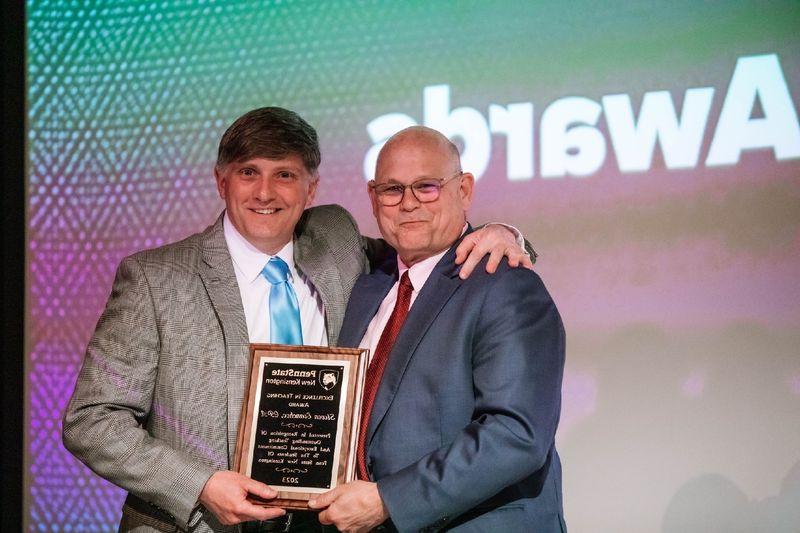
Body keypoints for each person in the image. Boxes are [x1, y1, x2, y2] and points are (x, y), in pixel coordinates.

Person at [62, 108, 533, 533]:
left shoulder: (338, 240)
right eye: (248, 173)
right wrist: (200, 484)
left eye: (284, 174)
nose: (265, 192)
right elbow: (92, 419)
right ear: (220, 181)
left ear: (311, 188)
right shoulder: (155, 278)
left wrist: (504, 233)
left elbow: (425, 245)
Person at [308, 126, 566, 532]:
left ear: (463, 190)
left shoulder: (505, 284)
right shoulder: (368, 283)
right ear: (373, 198)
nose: (408, 204)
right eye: (392, 189)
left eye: (426, 187)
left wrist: (388, 501)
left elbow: (517, 434)